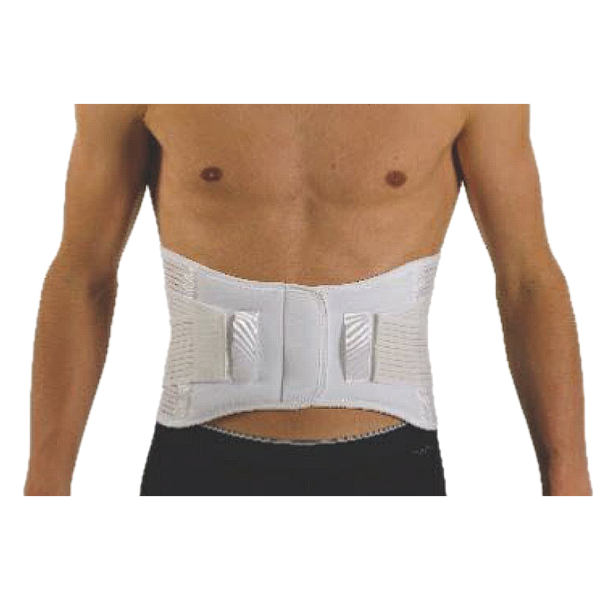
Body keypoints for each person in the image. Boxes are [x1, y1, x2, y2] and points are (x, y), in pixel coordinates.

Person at [24, 104, 592, 496]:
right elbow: (82, 275)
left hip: (389, 464)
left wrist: (568, 479)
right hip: (198, 457)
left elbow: (527, 278)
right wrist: (46, 483)